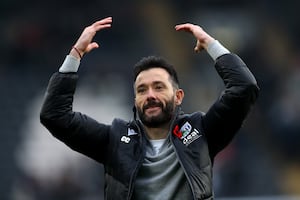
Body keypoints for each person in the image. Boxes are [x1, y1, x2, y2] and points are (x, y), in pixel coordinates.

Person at [40, 16, 259, 200]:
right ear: (135, 100)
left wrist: (211, 44)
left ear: (178, 96)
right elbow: (54, 115)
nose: (150, 95)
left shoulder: (201, 131)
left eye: (159, 87)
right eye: (142, 90)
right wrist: (75, 54)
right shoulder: (115, 139)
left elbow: (244, 87)